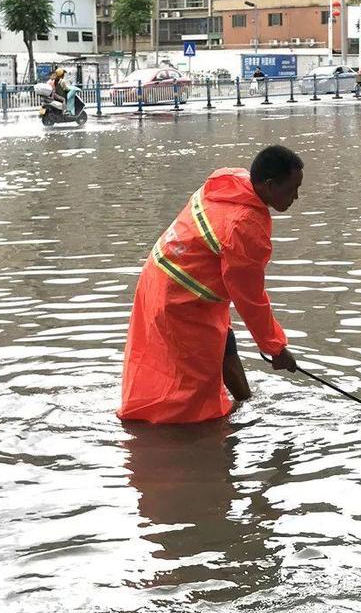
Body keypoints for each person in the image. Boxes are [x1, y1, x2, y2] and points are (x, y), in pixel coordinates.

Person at [118, 145, 303, 424]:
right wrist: (276, 348)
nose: (296, 197)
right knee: (195, 392)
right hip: (182, 300)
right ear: (269, 185)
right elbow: (250, 299)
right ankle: (200, 438)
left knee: (223, 344)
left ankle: (247, 407)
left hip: (160, 276)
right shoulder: (245, 225)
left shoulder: (231, 182)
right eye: (291, 189)